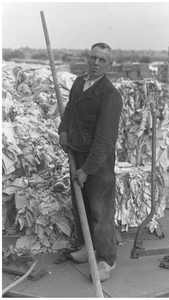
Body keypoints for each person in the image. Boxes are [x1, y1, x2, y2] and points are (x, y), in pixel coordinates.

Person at [58, 42, 122, 281]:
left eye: (102, 60)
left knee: (99, 211)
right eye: (93, 57)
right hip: (76, 153)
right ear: (87, 58)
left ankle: (106, 259)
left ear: (109, 65)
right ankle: (88, 248)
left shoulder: (110, 95)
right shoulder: (79, 83)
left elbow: (105, 140)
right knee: (80, 205)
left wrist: (87, 170)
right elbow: (69, 112)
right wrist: (63, 131)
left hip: (98, 161)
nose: (95, 63)